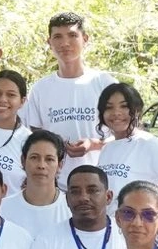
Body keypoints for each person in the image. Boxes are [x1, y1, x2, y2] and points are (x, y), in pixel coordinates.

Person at [22, 12, 118, 181]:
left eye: (72, 35)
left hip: (101, 181)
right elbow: (35, 137)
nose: (65, 43)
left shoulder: (105, 83)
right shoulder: (40, 89)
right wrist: (56, 144)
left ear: (85, 39)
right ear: (49, 42)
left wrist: (94, 144)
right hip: (55, 183)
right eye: (58, 37)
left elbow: (127, 133)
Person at [96, 83, 158, 189]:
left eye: (124, 106)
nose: (116, 113)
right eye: (109, 107)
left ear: (137, 110)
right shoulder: (107, 148)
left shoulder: (149, 144)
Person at [0, 129, 74, 237]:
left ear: (60, 165)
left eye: (49, 159)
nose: (41, 165)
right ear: (23, 161)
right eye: (34, 157)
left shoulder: (71, 209)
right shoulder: (2, 208)